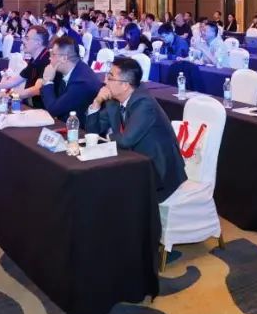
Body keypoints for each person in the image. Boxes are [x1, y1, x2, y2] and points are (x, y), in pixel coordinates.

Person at [86, 57, 186, 203]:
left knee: (109, 189)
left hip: (158, 171)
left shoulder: (144, 103)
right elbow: (92, 131)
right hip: (133, 160)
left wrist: (107, 137)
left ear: (125, 85)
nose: (105, 81)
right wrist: (96, 103)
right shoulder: (114, 101)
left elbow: (126, 140)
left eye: (110, 78)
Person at [0, 25, 51, 107]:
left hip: (40, 109)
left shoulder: (47, 60)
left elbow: (37, 89)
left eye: (27, 38)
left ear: (38, 43)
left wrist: (9, 96)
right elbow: (14, 81)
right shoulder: (35, 60)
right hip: (29, 105)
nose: (23, 40)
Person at [40, 36, 101, 127]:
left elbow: (53, 110)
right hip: (66, 124)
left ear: (64, 58)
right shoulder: (74, 69)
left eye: (53, 54)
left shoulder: (81, 83)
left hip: (80, 130)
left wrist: (48, 81)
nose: (49, 58)